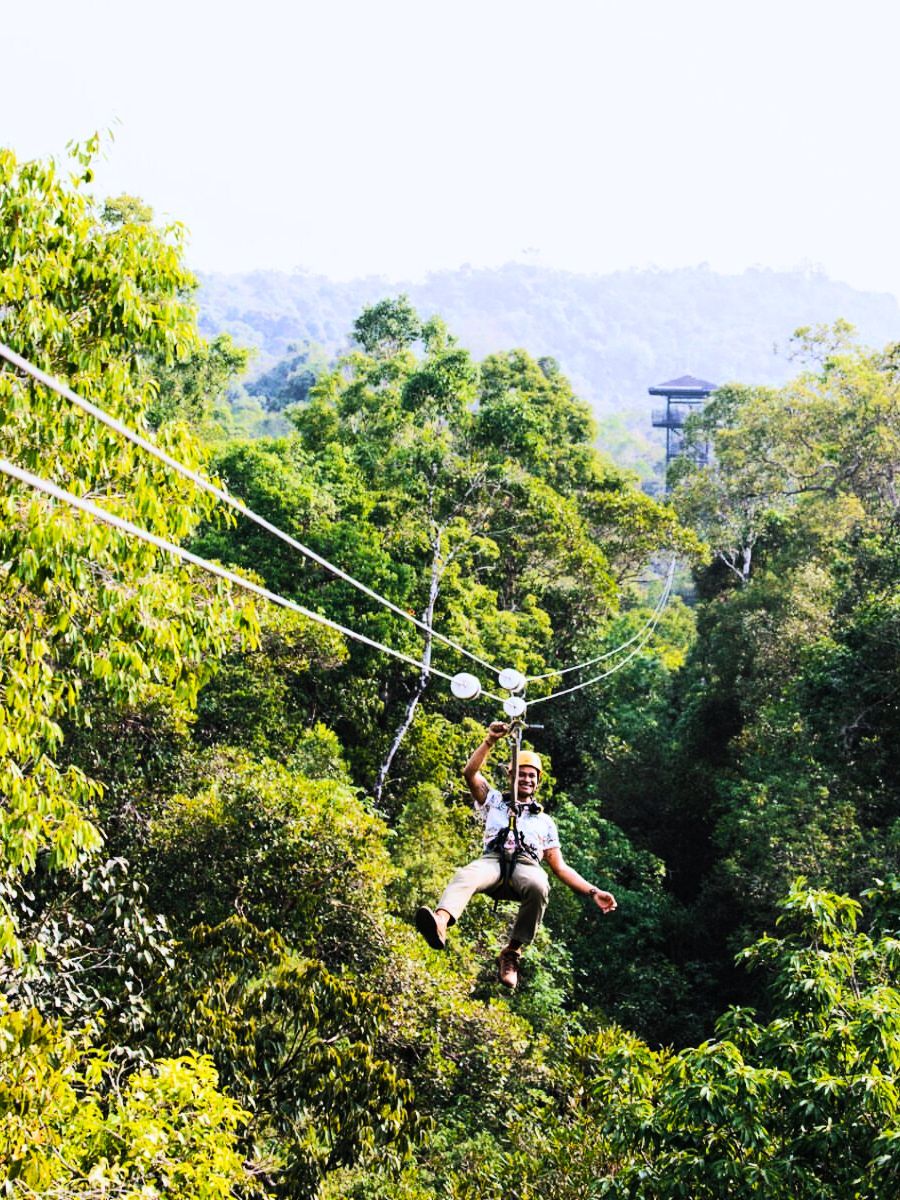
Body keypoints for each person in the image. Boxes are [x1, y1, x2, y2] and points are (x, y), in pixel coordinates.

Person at [415, 720, 617, 988]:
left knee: (539, 884)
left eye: (532, 775)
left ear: (538, 782)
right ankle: (440, 921)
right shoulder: (495, 800)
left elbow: (560, 867)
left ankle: (512, 951)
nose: (527, 779)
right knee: (466, 874)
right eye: (521, 774)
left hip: (526, 866)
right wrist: (489, 741)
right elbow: (469, 773)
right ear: (511, 776)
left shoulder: (545, 822)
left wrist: (593, 891)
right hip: (493, 861)